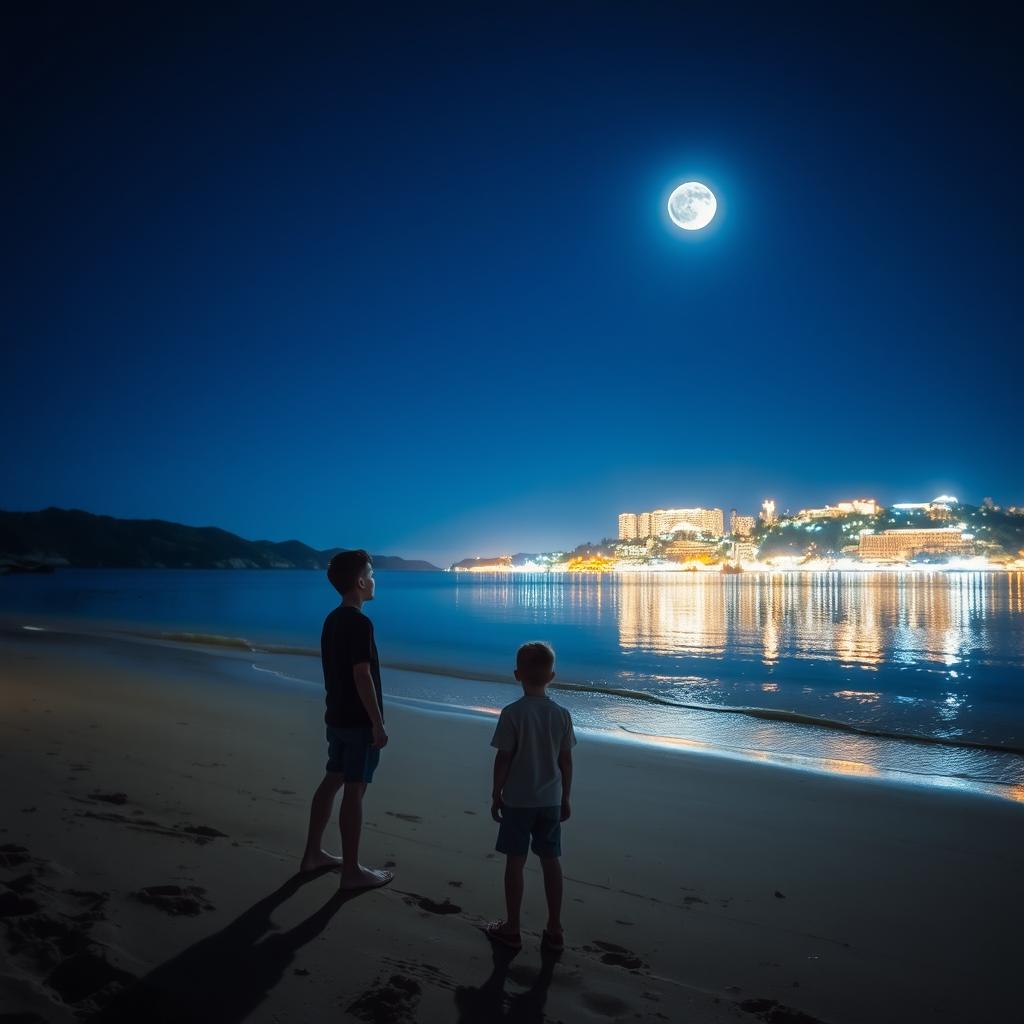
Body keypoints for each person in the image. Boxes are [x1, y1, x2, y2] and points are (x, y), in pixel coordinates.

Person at [300, 549, 392, 890]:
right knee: (355, 790)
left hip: (336, 717)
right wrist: (378, 723)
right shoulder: (360, 622)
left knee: (332, 780)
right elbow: (361, 675)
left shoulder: (332, 619)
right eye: (372, 573)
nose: (374, 580)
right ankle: (351, 871)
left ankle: (313, 854)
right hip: (357, 722)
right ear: (360, 581)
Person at [486, 641, 576, 952]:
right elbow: (565, 761)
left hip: (518, 801)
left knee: (515, 862)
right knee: (551, 861)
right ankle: (554, 927)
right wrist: (566, 796)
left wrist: (496, 792)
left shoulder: (512, 714)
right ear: (552, 675)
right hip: (550, 800)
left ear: (516, 675)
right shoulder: (561, 715)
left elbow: (504, 758)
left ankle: (513, 926)